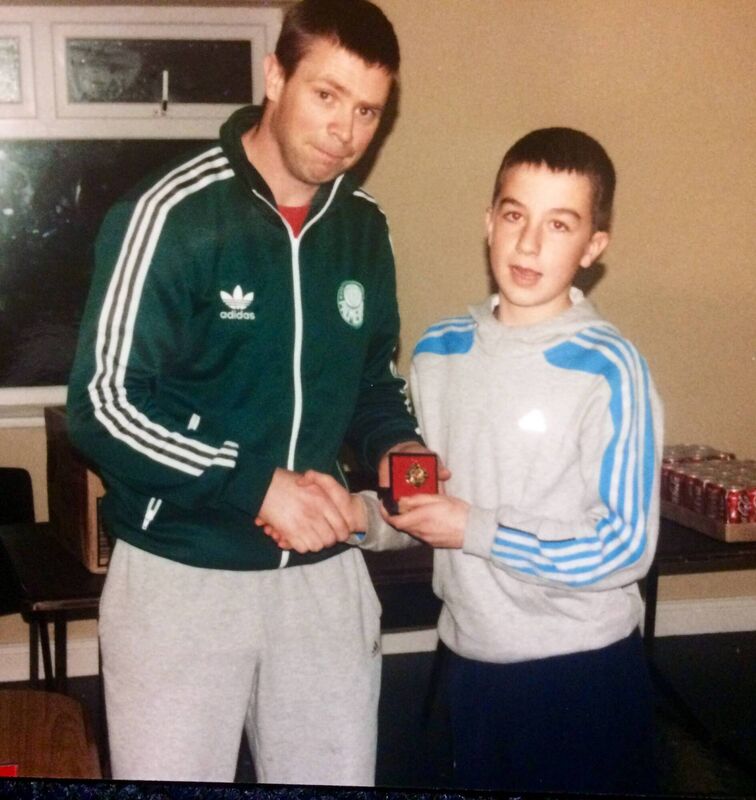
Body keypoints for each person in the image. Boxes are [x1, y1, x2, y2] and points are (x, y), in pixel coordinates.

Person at [66, 0, 430, 785]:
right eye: (326, 95)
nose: (346, 130)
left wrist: (398, 446)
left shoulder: (366, 228)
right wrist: (255, 484)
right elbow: (103, 402)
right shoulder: (172, 215)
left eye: (368, 110)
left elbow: (372, 382)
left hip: (323, 574)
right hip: (181, 573)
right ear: (275, 76)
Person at [326, 127, 664, 793]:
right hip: (468, 662)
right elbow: (425, 506)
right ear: (489, 222)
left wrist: (473, 528)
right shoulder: (438, 352)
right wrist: (361, 515)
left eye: (559, 225)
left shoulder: (611, 369)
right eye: (515, 215)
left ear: (594, 246)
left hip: (580, 672)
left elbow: (625, 548)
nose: (529, 243)